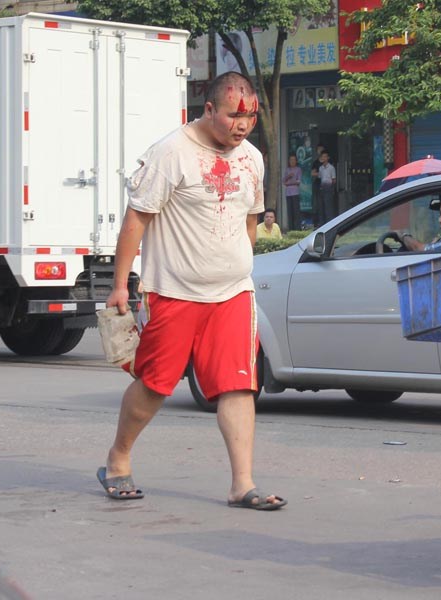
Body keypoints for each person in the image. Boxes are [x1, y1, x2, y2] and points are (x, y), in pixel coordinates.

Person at [97, 71, 286, 511]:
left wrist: (240, 264)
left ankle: (242, 484)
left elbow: (250, 220)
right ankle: (118, 458)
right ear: (209, 109)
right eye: (233, 116)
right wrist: (121, 284)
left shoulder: (252, 158)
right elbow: (136, 220)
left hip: (233, 294)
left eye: (250, 118)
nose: (242, 126)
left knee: (239, 385)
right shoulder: (171, 153)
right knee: (156, 384)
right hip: (174, 291)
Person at [282, 154, 302, 230]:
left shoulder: (298, 169)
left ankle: (297, 229)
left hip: (295, 193)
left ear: (296, 161)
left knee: (296, 212)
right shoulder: (287, 170)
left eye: (294, 160)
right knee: (290, 212)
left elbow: (298, 181)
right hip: (288, 194)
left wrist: (289, 183)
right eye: (291, 160)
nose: (292, 161)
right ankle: (291, 229)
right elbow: (284, 182)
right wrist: (289, 176)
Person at [317, 150, 336, 226]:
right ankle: (322, 224)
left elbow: (334, 179)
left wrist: (331, 188)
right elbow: (320, 177)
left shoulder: (331, 168)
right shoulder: (320, 168)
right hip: (322, 188)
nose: (324, 158)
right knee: (321, 207)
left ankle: (330, 224)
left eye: (325, 157)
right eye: (323, 157)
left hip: (329, 188)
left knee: (328, 207)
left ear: (328, 158)